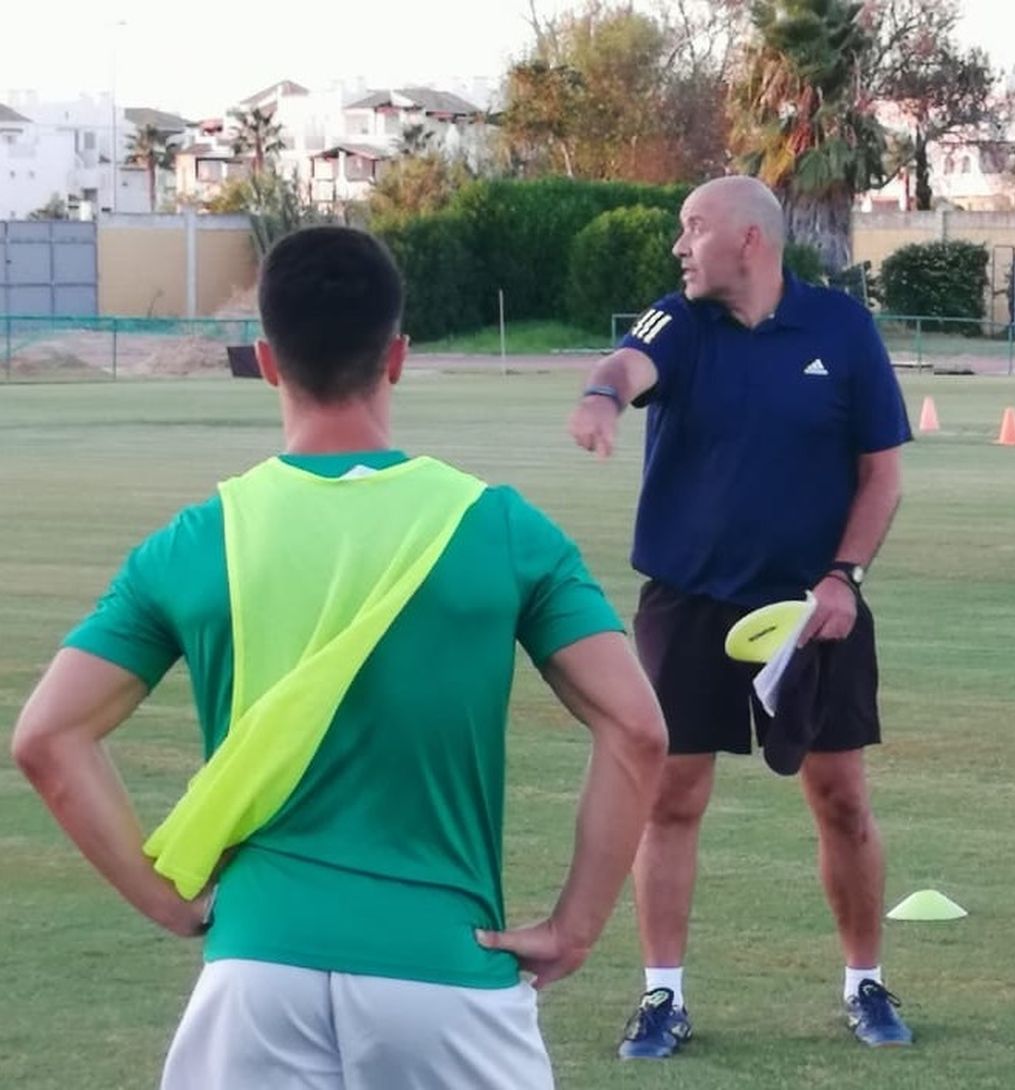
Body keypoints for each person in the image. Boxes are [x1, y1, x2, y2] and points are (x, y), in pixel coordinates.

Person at [10, 225, 667, 1089]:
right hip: (444, 972)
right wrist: (576, 927)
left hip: (254, 976)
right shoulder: (502, 529)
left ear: (265, 361)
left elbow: (47, 738)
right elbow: (637, 729)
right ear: (397, 356)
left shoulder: (194, 541)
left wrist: (166, 898)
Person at [567, 175, 914, 1057]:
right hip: (689, 600)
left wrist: (843, 579)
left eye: (694, 228)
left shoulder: (841, 327)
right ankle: (663, 997)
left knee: (841, 800)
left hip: (813, 607)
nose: (679, 246)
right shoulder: (678, 321)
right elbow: (626, 365)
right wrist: (602, 399)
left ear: (750, 239)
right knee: (672, 797)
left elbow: (881, 474)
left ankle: (865, 984)